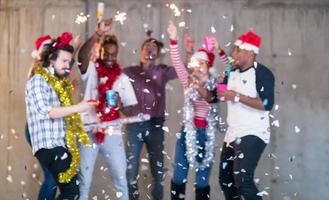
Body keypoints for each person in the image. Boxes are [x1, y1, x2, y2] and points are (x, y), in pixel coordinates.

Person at [25, 32, 96, 200]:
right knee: (68, 191)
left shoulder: (55, 81)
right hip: (49, 147)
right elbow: (48, 111)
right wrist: (79, 107)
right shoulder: (38, 80)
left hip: (59, 144)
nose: (67, 65)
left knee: (71, 193)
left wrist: (75, 46)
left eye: (68, 61)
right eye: (64, 61)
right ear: (51, 59)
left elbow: (63, 66)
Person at [167, 20, 229, 200]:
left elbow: (230, 70)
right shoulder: (188, 81)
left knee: (202, 182)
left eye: (203, 63)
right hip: (187, 133)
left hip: (206, 135)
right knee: (179, 176)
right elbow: (177, 61)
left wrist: (219, 50)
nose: (198, 67)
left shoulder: (216, 84)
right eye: (197, 63)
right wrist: (173, 38)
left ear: (209, 66)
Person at [77, 19, 137, 200]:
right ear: (100, 51)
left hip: (112, 132)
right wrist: (98, 34)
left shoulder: (122, 79)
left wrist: (119, 104)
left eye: (114, 55)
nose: (110, 58)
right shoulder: (91, 71)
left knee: (120, 180)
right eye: (107, 54)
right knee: (84, 180)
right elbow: (81, 56)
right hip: (88, 129)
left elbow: (131, 111)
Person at [217, 31, 275, 200]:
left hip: (253, 132)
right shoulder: (231, 72)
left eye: (237, 50)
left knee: (242, 179)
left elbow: (267, 104)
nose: (233, 54)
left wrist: (236, 96)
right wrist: (200, 82)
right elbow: (218, 95)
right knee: (225, 180)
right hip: (232, 133)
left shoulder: (262, 73)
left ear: (250, 52)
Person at [24, 35, 57, 200]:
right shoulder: (37, 75)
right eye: (49, 49)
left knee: (55, 178)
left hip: (50, 130)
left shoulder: (52, 71)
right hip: (38, 131)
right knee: (52, 179)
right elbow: (44, 110)